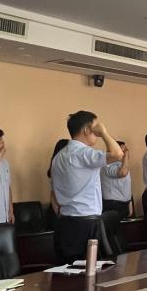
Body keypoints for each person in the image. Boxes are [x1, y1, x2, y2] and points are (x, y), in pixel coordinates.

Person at [50, 111, 123, 262]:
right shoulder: (84, 153)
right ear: (86, 130)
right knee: (87, 271)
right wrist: (104, 133)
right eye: (95, 127)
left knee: (66, 271)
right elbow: (118, 154)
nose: (97, 133)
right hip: (85, 224)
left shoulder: (58, 156)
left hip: (65, 222)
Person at [100, 140, 133, 219]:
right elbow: (122, 173)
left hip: (123, 204)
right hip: (113, 204)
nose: (126, 152)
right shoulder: (108, 164)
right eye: (124, 150)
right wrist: (126, 154)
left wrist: (129, 202)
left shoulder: (121, 165)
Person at [47, 138, 70, 218]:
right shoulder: (56, 167)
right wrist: (58, 212)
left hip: (63, 209)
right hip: (58, 209)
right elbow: (53, 193)